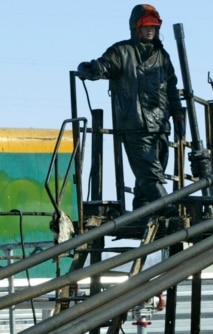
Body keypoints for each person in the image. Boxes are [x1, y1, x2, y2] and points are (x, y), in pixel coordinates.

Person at [76, 4, 184, 215]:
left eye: (154, 25)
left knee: (156, 170)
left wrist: (178, 114)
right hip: (135, 124)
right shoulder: (122, 52)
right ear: (136, 27)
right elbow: (104, 66)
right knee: (150, 173)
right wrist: (91, 69)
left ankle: (141, 209)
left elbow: (172, 87)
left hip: (161, 125)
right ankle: (165, 209)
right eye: (146, 25)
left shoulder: (163, 57)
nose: (150, 29)